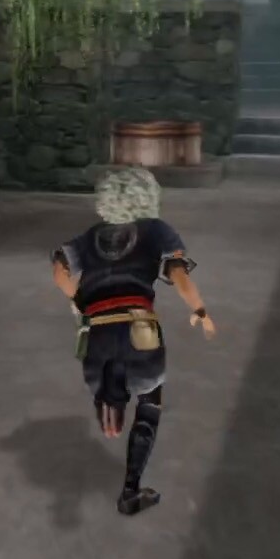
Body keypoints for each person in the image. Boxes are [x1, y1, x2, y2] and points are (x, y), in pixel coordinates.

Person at [50, 167, 216, 516]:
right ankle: (130, 491)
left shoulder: (91, 236)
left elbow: (59, 269)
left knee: (108, 375)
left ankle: (109, 396)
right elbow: (178, 274)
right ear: (148, 196)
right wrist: (200, 310)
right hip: (138, 326)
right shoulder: (155, 229)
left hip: (96, 331)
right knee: (150, 400)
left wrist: (80, 301)